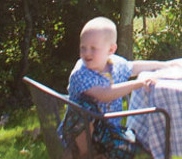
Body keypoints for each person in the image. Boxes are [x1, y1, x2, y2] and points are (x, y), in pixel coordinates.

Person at [63, 17, 162, 158]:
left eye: (93, 48)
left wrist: (161, 65)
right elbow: (105, 94)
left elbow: (133, 67)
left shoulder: (115, 63)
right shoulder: (81, 72)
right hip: (81, 132)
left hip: (107, 129)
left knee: (127, 147)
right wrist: (138, 84)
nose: (87, 53)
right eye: (83, 48)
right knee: (84, 106)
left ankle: (100, 155)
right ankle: (84, 154)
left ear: (110, 49)